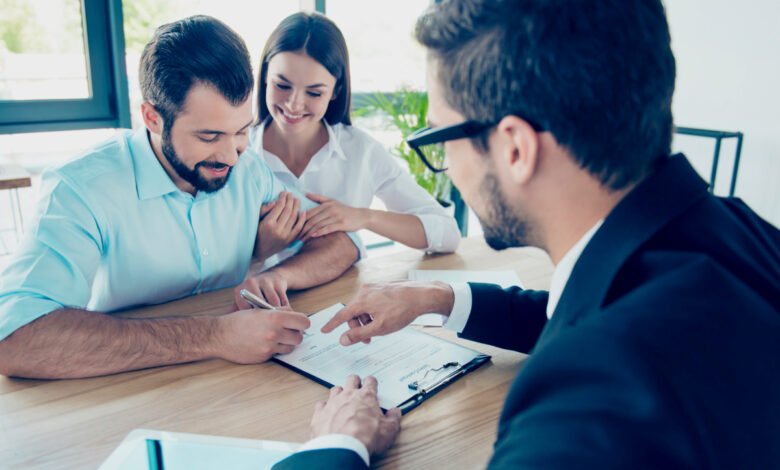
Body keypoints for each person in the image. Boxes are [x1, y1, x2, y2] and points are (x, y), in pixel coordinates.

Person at [272, 0, 780, 468]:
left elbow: (603, 349)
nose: (445, 162)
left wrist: (338, 446)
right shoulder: (738, 234)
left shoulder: (581, 411)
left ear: (515, 147)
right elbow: (588, 312)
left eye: (442, 136)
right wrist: (438, 297)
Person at [0, 16, 361, 380]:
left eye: (241, 131)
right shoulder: (80, 188)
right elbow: (14, 338)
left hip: (237, 382)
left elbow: (342, 240)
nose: (232, 156)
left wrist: (280, 276)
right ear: (152, 118)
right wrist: (214, 336)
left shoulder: (249, 169)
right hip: (121, 386)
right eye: (209, 137)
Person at [248, 12, 460, 267]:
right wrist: (257, 250)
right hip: (255, 300)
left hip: (340, 297)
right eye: (282, 85)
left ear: (336, 90)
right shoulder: (237, 151)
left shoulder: (361, 151)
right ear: (264, 77)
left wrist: (363, 218)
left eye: (314, 92)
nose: (294, 104)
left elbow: (447, 234)